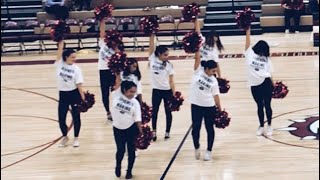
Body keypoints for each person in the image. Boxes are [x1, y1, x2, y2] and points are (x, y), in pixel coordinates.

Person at [190, 50, 222, 161]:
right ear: (206, 69)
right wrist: (197, 46)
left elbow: (216, 96)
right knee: (195, 129)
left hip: (209, 107)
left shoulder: (214, 81)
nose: (214, 73)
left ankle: (209, 151)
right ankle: (197, 147)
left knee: (210, 129)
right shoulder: (198, 71)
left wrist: (219, 109)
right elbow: (197, 57)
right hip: (196, 106)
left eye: (215, 71)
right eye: (213, 71)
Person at [55, 41, 85, 147]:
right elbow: (59, 51)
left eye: (75, 57)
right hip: (63, 95)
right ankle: (65, 136)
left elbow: (79, 84)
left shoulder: (77, 69)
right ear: (66, 57)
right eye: (72, 57)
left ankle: (76, 138)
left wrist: (83, 98)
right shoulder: (59, 64)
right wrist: (61, 40)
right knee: (61, 118)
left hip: (74, 94)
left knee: (76, 117)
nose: (74, 59)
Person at [245, 28, 274, 136]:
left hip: (266, 83)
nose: (263, 53)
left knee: (267, 105)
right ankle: (261, 125)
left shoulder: (267, 59)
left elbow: (270, 73)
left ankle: (270, 125)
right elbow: (247, 43)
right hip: (254, 85)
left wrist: (273, 84)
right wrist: (248, 30)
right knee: (259, 106)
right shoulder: (250, 54)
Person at [111, 80, 143, 179]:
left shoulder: (135, 102)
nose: (132, 94)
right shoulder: (116, 96)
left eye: (134, 92)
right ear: (124, 90)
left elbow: (137, 117)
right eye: (131, 92)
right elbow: (118, 81)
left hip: (131, 129)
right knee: (120, 150)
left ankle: (129, 171)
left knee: (131, 150)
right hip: (117, 128)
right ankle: (118, 165)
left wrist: (141, 130)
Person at [148, 34, 176, 141]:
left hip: (167, 91)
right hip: (156, 91)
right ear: (159, 54)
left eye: (167, 55)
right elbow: (151, 46)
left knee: (168, 112)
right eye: (165, 55)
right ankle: (154, 132)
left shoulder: (169, 65)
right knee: (154, 112)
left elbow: (172, 81)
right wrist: (151, 34)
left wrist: (174, 95)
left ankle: (167, 132)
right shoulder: (153, 59)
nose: (167, 57)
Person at [98, 18, 122, 122]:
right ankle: (108, 111)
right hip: (103, 70)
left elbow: (120, 59)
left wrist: (116, 46)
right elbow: (102, 31)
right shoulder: (103, 43)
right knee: (105, 93)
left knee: (116, 92)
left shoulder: (117, 50)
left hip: (113, 72)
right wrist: (102, 20)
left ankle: (117, 110)